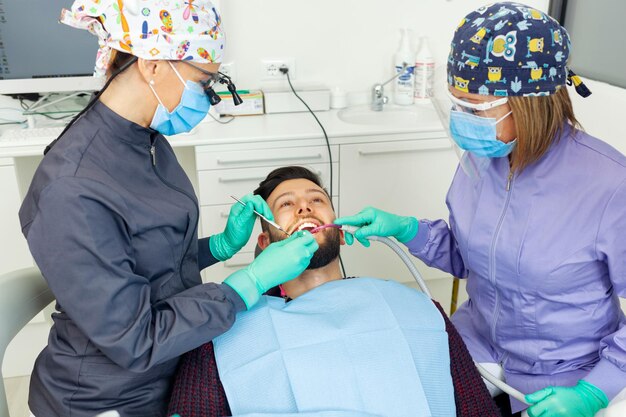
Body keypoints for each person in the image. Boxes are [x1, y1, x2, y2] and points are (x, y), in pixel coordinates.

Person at [17, 2, 317, 416]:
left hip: (174, 367)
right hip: (107, 398)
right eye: (202, 81)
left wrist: (218, 247)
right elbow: (135, 341)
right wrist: (247, 283)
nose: (208, 98)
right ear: (152, 66)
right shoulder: (73, 191)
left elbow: (142, 258)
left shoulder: (146, 138)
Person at [335, 3, 626, 417]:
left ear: (529, 102)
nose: (463, 119)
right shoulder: (482, 158)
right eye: (458, 103)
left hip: (565, 374)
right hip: (480, 345)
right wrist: (406, 230)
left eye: (475, 107)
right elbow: (470, 256)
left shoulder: (610, 187)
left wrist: (595, 391)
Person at [167, 166, 501, 417]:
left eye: (317, 200)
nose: (304, 208)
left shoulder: (419, 311)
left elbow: (476, 408)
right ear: (265, 243)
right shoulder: (223, 333)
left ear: (340, 233)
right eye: (286, 204)